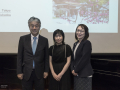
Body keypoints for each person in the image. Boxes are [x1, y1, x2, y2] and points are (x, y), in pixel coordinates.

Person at [17, 17, 49, 90]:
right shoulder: (23, 39)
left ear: (39, 27)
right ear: (29, 26)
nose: (34, 28)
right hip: (26, 72)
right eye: (32, 25)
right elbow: (19, 57)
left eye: (36, 26)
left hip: (40, 73)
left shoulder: (44, 40)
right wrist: (19, 72)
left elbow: (46, 57)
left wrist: (46, 71)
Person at [71, 24, 94, 90]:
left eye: (82, 31)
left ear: (85, 33)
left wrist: (75, 70)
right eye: (78, 30)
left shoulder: (87, 43)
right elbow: (73, 59)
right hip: (76, 74)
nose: (79, 33)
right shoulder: (75, 44)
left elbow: (84, 59)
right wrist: (72, 69)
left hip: (84, 74)